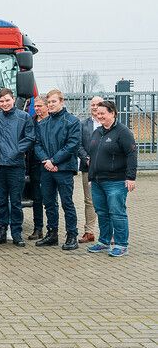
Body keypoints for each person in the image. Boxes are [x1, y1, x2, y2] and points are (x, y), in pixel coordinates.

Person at [0, 88, 35, 247]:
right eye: (2, 101)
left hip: (16, 165)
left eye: (7, 100)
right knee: (0, 201)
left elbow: (30, 138)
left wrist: (15, 151)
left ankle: (16, 233)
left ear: (13, 100)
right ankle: (1, 232)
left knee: (16, 201)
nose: (5, 103)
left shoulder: (24, 117)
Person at [85, 100, 137, 257]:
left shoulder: (123, 132)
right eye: (97, 113)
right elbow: (93, 156)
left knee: (117, 212)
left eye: (103, 113)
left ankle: (121, 245)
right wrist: (91, 176)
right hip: (97, 181)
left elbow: (131, 154)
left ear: (113, 113)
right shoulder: (97, 132)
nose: (99, 116)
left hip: (116, 181)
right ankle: (103, 241)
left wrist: (131, 177)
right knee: (102, 212)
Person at [34, 89, 81, 250]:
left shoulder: (72, 122)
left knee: (67, 203)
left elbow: (72, 145)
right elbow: (37, 144)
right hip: (46, 169)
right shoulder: (42, 124)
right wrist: (46, 161)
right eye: (49, 102)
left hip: (64, 169)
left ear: (62, 102)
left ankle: (72, 235)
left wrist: (54, 161)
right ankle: (52, 234)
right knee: (49, 203)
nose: (51, 105)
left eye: (54, 101)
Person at [77, 95, 103, 243]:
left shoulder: (109, 124)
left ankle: (110, 233)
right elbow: (78, 145)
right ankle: (89, 232)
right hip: (88, 168)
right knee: (89, 201)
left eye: (97, 104)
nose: (94, 107)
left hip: (107, 170)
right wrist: (86, 158)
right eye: (92, 104)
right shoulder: (83, 124)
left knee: (107, 200)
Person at [27, 96, 49, 240]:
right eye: (36, 106)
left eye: (40, 106)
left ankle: (52, 229)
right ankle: (38, 228)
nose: (37, 109)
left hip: (49, 165)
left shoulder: (51, 122)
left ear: (47, 106)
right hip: (35, 165)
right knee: (36, 199)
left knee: (49, 199)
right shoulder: (32, 121)